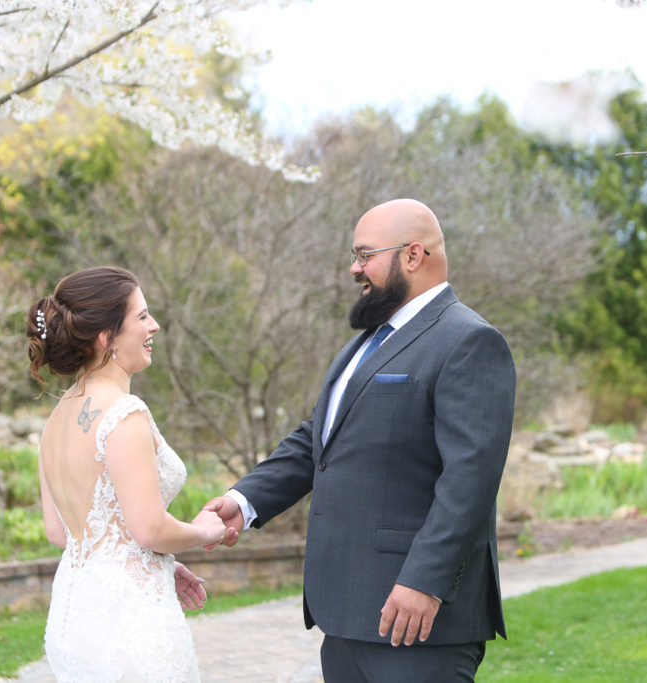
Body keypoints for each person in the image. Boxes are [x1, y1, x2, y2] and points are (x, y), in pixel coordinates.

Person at [204, 198, 517, 682]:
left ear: (413, 255)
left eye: (365, 254)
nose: (355, 268)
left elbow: (470, 480)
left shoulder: (469, 341)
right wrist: (244, 501)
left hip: (416, 619)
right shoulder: (369, 339)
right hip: (347, 614)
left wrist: (424, 582)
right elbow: (320, 441)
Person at [28, 266, 234, 682]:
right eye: (141, 317)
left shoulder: (56, 420)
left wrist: (153, 566)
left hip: (74, 622)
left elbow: (62, 532)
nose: (153, 325)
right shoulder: (124, 414)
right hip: (129, 629)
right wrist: (206, 531)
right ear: (107, 337)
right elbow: (151, 530)